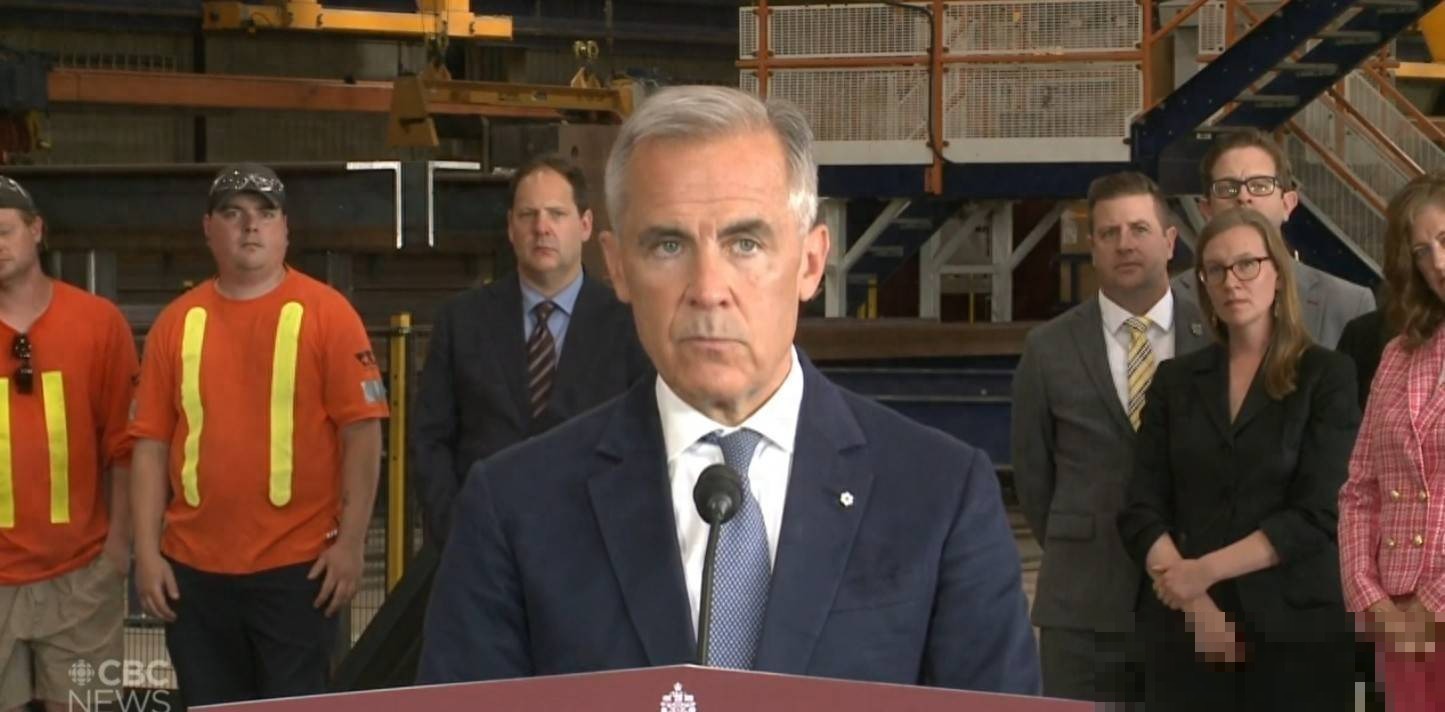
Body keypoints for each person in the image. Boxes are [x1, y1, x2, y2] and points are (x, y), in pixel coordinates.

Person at [416, 85, 1039, 693]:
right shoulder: (513, 507)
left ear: (810, 263)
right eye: (668, 245)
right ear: (618, 267)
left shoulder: (941, 496)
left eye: (745, 243)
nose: (709, 289)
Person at [129, 164, 389, 706]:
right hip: (193, 574)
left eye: (265, 214)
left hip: (298, 571)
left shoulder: (329, 315)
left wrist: (351, 543)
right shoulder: (176, 324)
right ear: (208, 228)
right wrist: (147, 555)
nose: (250, 226)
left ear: (285, 229)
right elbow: (150, 446)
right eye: (233, 213)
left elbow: (362, 437)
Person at [1119, 207, 1360, 710]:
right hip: (1186, 629)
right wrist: (1195, 602)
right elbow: (1141, 508)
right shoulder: (1175, 381)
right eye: (1216, 269)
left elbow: (1318, 513)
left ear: (1279, 273)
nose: (1232, 282)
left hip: (1296, 632)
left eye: (1247, 264)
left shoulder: (1328, 376)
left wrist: (1203, 572)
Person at [1013, 171, 1209, 704]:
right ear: (1093, 246)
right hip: (1082, 609)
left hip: (1196, 603)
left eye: (1139, 229)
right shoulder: (1047, 348)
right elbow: (1033, 477)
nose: (1125, 243)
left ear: (1170, 241)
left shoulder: (1215, 337)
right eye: (1109, 232)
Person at [410, 154, 649, 545]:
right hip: (482, 544)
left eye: (557, 214)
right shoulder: (462, 320)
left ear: (585, 225)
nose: (542, 228)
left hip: (593, 546)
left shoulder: (630, 325)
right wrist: (456, 529)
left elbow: (646, 440)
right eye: (528, 215)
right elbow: (429, 439)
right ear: (510, 227)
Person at [0, 176, 138, 711]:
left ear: (36, 230)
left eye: (4, 231)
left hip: (82, 578)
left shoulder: (98, 324)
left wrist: (117, 552)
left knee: (88, 706)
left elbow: (126, 445)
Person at [1339, 172, 1445, 712]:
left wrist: (1431, 608)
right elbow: (1360, 488)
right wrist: (1373, 600)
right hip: (1397, 620)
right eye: (1422, 251)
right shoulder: (1398, 354)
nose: (1438, 263)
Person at [1173, 129, 1375, 348]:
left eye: (1260, 186)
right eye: (1227, 188)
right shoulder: (1174, 298)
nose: (1243, 197)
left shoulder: (1349, 304)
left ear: (1287, 204)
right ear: (1206, 209)